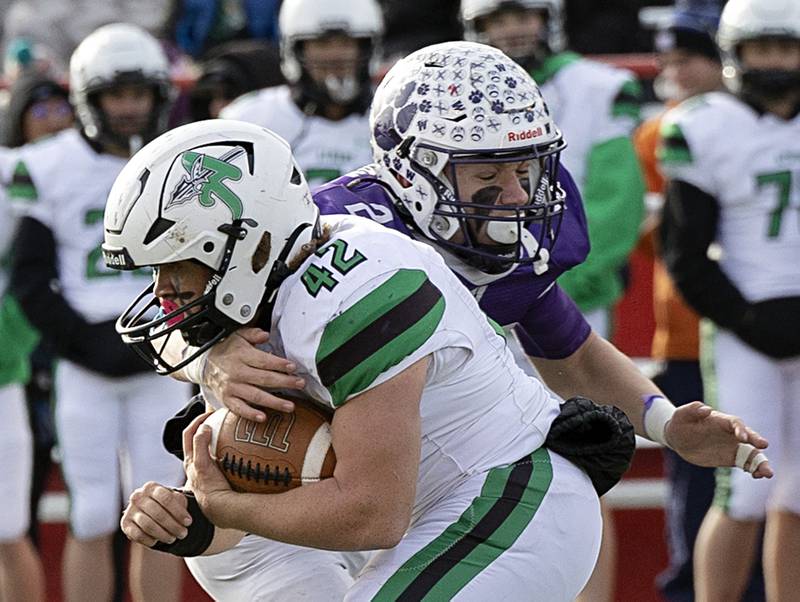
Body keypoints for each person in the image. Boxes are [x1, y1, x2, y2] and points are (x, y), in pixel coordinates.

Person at [121, 42, 771, 600]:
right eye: (486, 173)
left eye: (524, 169)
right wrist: (214, 354)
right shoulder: (325, 231)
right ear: (414, 170)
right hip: (381, 469)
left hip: (472, 474)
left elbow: (568, 350)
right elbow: (212, 290)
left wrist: (662, 422)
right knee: (236, 518)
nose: (516, 195)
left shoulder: (442, 257)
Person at [460, 3, 645, 598]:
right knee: (467, 467)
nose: (511, 31)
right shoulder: (448, 92)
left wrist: (545, 289)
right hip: (470, 307)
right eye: (494, 22)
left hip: (563, 300)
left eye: (522, 16)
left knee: (585, 463)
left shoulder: (598, 87)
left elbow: (618, 205)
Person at [7, 23, 190, 602]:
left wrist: (178, 336)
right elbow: (32, 276)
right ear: (90, 98)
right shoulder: (49, 164)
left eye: (140, 94)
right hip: (84, 360)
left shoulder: (184, 160)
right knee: (90, 513)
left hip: (166, 358)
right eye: (118, 94)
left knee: (162, 514)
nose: (131, 108)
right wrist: (82, 341)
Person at [658, 0, 800, 600]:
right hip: (745, 326)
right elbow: (683, 253)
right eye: (760, 49)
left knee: (799, 495)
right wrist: (746, 319)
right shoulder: (704, 124)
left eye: (785, 48)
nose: (774, 62)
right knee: (744, 491)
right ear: (735, 54)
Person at [633, 5, 767, 602]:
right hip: (693, 336)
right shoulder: (662, 132)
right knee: (708, 497)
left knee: (777, 494)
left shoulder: (769, 131)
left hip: (771, 336)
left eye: (690, 58)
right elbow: (644, 235)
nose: (675, 72)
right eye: (667, 60)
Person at [219, 0, 382, 188]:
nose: (336, 55)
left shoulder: (390, 118)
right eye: (322, 44)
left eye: (346, 43)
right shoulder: (251, 118)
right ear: (296, 49)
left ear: (367, 47)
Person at [0, 148, 44, 602]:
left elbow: (33, 266)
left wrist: (8, 344)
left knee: (8, 529)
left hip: (1, 377)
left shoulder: (15, 170)